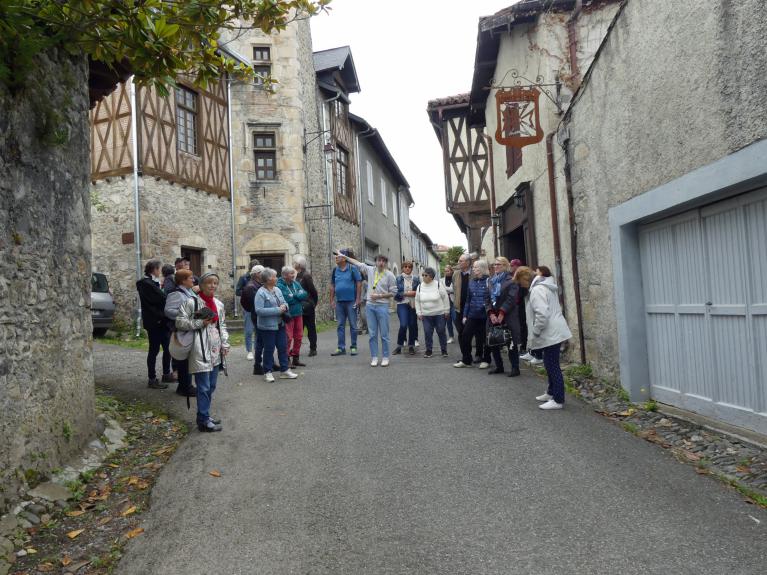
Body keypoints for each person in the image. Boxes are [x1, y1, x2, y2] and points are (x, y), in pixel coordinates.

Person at [175, 271, 230, 432]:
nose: (212, 285)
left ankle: (204, 415)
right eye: (209, 282)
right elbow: (179, 322)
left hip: (215, 350)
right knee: (204, 386)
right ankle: (203, 420)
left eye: (215, 283)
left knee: (211, 385)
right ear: (202, 285)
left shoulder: (218, 304)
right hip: (200, 350)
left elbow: (223, 326)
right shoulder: (191, 302)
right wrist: (199, 322)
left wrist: (224, 344)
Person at [341, 251, 397, 367]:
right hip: (370, 306)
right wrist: (345, 257)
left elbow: (393, 292)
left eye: (383, 261)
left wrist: (380, 296)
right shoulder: (370, 270)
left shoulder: (390, 275)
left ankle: (385, 357)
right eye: (379, 260)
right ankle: (374, 357)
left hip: (382, 306)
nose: (381, 263)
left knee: (384, 334)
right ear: (375, 262)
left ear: (386, 263)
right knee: (372, 334)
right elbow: (357, 263)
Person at [528, 266, 573, 410]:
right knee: (549, 363)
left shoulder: (538, 289)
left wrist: (535, 331)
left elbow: (542, 314)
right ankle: (551, 392)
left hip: (551, 331)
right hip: (555, 330)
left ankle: (558, 400)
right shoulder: (547, 285)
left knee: (552, 365)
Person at [254, 268, 298, 382]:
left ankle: (284, 370)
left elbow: (285, 302)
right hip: (267, 327)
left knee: (282, 347)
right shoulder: (260, 292)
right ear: (268, 279)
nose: (277, 278)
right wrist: (278, 310)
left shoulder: (277, 289)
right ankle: (267, 371)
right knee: (269, 349)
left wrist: (285, 306)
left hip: (280, 324)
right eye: (275, 276)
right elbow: (259, 311)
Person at [136, 259, 174, 388]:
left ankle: (166, 374)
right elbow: (162, 298)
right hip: (155, 322)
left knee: (168, 348)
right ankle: (152, 379)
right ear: (154, 270)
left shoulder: (151, 283)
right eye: (159, 269)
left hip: (161, 321)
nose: (160, 271)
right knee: (154, 350)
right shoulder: (146, 284)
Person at [485, 257, 521, 376]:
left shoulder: (511, 280)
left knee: (510, 342)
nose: (496, 267)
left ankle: (515, 368)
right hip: (493, 316)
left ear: (505, 266)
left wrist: (501, 312)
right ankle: (499, 366)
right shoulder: (490, 280)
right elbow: (487, 299)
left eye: (499, 264)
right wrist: (490, 313)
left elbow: (511, 299)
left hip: (508, 315)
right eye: (494, 264)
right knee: (493, 340)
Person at [164, 269, 197, 397]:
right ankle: (185, 387)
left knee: (188, 360)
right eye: (190, 278)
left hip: (189, 330)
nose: (193, 280)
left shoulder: (189, 292)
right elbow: (168, 311)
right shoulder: (176, 294)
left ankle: (184, 386)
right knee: (184, 361)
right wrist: (185, 314)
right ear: (183, 280)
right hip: (181, 332)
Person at [455, 259, 490, 368]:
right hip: (472, 315)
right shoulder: (472, 282)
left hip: (485, 315)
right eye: (473, 267)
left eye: (475, 267)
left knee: (485, 338)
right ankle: (466, 360)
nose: (473, 269)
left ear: (482, 268)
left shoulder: (490, 281)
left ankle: (486, 360)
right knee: (465, 336)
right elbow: (468, 301)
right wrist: (465, 315)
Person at [329, 249, 362, 356]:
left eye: (338, 256)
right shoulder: (335, 270)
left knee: (353, 325)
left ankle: (353, 347)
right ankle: (341, 348)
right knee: (340, 325)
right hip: (339, 302)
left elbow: (359, 283)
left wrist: (357, 299)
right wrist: (332, 300)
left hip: (351, 301)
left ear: (344, 258)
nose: (336, 258)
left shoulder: (353, 269)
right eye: (336, 256)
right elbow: (332, 285)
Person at [415, 266, 450, 358]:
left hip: (439, 314)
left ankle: (444, 350)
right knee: (427, 332)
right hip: (426, 315)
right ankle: (429, 350)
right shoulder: (419, 286)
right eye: (422, 275)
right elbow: (417, 301)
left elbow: (445, 298)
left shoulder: (438, 285)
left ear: (431, 276)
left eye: (425, 275)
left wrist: (447, 310)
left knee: (441, 331)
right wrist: (418, 312)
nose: (423, 276)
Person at [277, 266, 308, 369]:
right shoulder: (280, 285)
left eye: (293, 273)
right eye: (291, 273)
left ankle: (296, 357)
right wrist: (297, 296)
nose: (293, 275)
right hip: (288, 315)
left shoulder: (295, 283)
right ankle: (286, 359)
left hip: (298, 313)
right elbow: (286, 300)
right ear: (285, 275)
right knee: (288, 338)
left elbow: (304, 294)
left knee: (299, 336)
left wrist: (295, 296)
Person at [294, 256, 319, 357]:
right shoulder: (297, 275)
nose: (293, 264)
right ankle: (296, 350)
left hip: (307, 305)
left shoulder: (306, 275)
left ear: (299, 265)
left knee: (310, 328)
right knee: (299, 329)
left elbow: (313, 290)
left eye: (295, 263)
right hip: (300, 305)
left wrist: (314, 302)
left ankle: (313, 349)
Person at [393, 261, 419, 355]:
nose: (407, 268)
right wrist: (406, 293)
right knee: (403, 324)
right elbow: (394, 294)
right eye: (405, 266)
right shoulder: (398, 279)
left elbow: (420, 291)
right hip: (402, 304)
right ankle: (399, 346)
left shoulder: (416, 279)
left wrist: (415, 293)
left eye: (409, 267)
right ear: (402, 268)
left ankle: (411, 346)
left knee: (412, 325)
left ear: (412, 268)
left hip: (413, 304)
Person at [240, 265, 263, 363]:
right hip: (250, 310)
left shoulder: (260, 284)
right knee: (249, 331)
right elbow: (241, 296)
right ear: (257, 274)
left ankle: (258, 350)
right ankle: (249, 351)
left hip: (257, 311)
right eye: (263, 272)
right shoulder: (249, 284)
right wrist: (249, 309)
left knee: (258, 331)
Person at [443, 265, 456, 343]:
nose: (446, 272)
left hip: (453, 302)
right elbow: (441, 289)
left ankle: (461, 334)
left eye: (448, 271)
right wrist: (449, 290)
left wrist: (446, 289)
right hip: (445, 303)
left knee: (455, 319)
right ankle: (451, 337)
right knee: (448, 321)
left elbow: (454, 289)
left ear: (451, 271)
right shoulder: (442, 280)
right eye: (445, 271)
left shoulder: (454, 279)